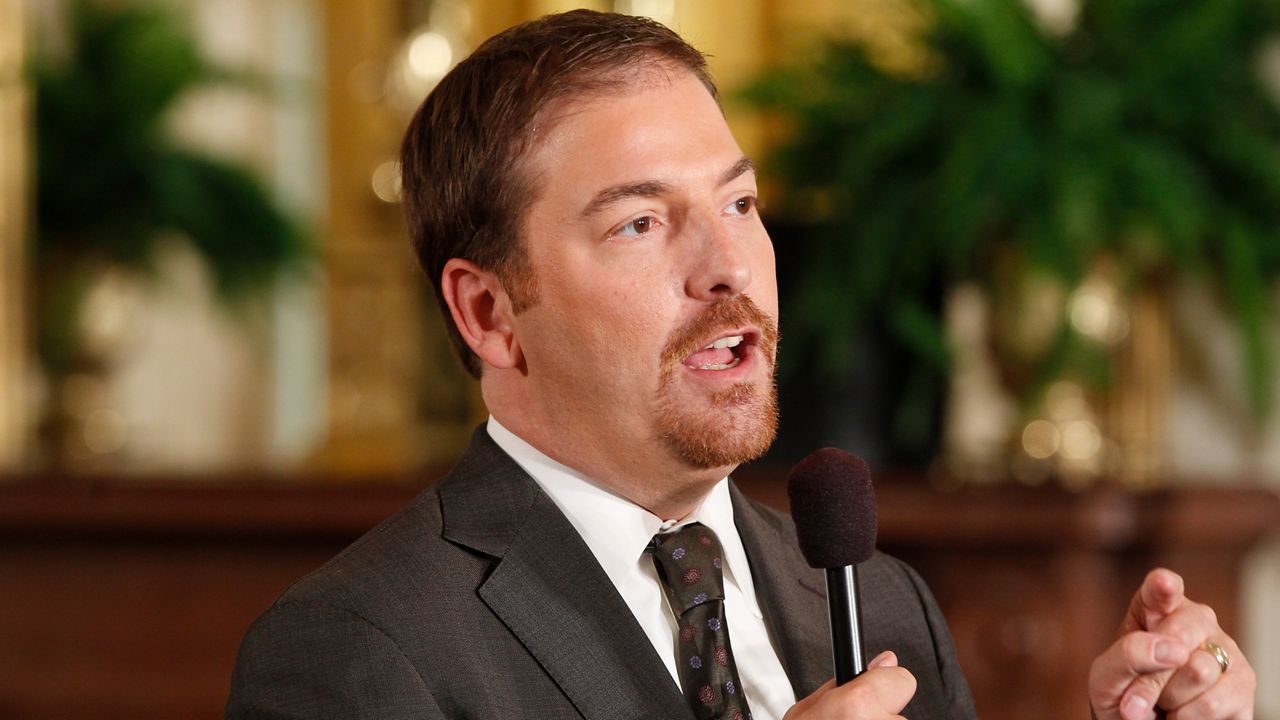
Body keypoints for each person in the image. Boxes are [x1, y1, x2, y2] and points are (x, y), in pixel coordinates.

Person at [226, 10, 1256, 720]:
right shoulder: (358, 648)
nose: (729, 268)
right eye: (638, 223)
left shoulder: (875, 598)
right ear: (489, 311)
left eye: (738, 203)